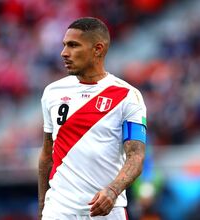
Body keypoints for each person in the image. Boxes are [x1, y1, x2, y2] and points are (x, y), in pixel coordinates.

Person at [38, 17, 147, 220]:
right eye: (64, 45)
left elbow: (136, 156)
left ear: (98, 49)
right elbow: (47, 155)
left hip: (106, 211)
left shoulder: (127, 96)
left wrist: (113, 191)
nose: (64, 53)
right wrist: (43, 207)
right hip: (59, 211)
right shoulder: (52, 92)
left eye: (73, 45)